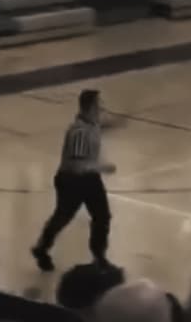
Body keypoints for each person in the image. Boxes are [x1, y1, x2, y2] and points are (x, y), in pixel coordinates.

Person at [33, 89, 116, 272]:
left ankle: (99, 257)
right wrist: (102, 168)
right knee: (63, 217)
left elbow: (101, 127)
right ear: (91, 107)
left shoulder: (92, 123)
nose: (103, 108)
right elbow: (77, 166)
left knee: (102, 216)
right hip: (72, 181)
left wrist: (115, 124)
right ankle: (41, 248)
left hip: (89, 178)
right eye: (100, 104)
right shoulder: (79, 132)